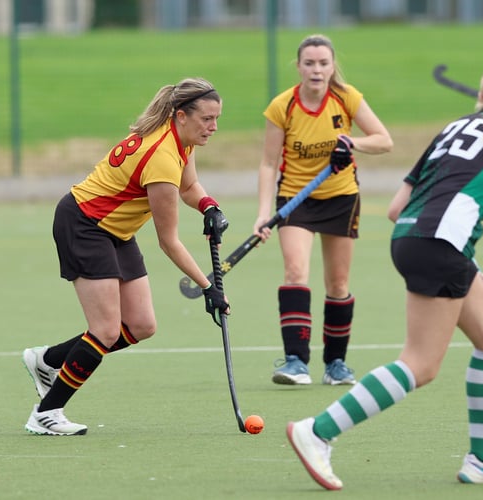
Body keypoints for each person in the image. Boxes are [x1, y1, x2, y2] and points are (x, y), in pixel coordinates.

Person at [285, 62, 483, 490]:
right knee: (420, 364)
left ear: (481, 95)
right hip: (440, 247)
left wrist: (457, 257)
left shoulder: (452, 129)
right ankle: (318, 431)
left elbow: (398, 207)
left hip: (413, 238)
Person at [22, 77, 231, 436]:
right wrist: (208, 286)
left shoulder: (182, 141)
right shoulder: (163, 156)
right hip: (84, 225)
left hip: (115, 230)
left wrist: (208, 206)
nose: (213, 127)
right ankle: (47, 411)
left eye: (216, 119)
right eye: (207, 119)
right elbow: (169, 242)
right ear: (181, 116)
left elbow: (190, 186)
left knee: (141, 325)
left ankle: (47, 360)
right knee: (104, 330)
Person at [253, 34, 392, 386]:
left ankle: (336, 364)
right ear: (298, 66)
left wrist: (352, 142)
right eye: (310, 63)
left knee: (338, 282)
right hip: (295, 200)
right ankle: (296, 362)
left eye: (323, 63)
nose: (316, 70)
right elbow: (269, 164)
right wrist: (262, 212)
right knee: (296, 271)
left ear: (332, 67)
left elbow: (383, 140)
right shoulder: (282, 106)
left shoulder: (346, 98)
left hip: (341, 197)